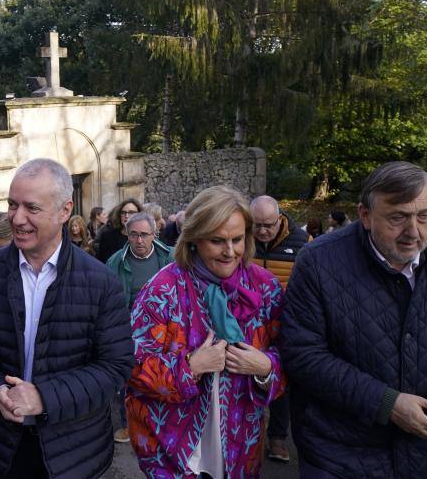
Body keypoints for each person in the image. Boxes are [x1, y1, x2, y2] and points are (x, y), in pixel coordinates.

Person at [0, 158, 133, 479]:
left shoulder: (101, 282)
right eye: (12, 204)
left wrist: (44, 396)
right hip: (5, 445)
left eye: (31, 208)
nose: (17, 218)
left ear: (64, 211)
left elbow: (115, 366)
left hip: (75, 450)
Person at [280, 161, 427, 479]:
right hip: (338, 456)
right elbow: (302, 354)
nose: (413, 232)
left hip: (423, 456)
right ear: (366, 215)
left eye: (424, 216)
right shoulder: (318, 262)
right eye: (398, 217)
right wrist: (387, 404)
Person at [128, 185, 285, 478]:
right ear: (195, 240)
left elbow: (294, 358)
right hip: (172, 448)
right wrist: (190, 367)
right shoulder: (162, 290)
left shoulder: (264, 287)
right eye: (216, 241)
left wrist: (266, 367)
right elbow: (131, 366)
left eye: (237, 239)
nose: (230, 252)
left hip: (241, 445)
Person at [249, 194, 309, 462]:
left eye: (268, 225)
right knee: (247, 379)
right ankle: (249, 436)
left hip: (285, 324)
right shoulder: (242, 238)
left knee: (279, 381)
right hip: (248, 324)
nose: (261, 231)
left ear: (280, 218)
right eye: (256, 225)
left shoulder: (302, 244)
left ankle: (277, 438)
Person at [106, 211, 174, 444]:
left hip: (167, 330)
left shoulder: (171, 258)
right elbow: (110, 300)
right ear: (126, 234)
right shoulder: (116, 262)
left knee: (165, 378)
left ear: (155, 234)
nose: (139, 240)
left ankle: (165, 424)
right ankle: (129, 425)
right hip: (130, 332)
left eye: (144, 235)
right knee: (130, 381)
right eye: (133, 235)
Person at [95, 198, 142, 263]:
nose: (127, 215)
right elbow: (102, 263)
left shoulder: (145, 236)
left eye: (131, 212)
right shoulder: (107, 237)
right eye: (123, 213)